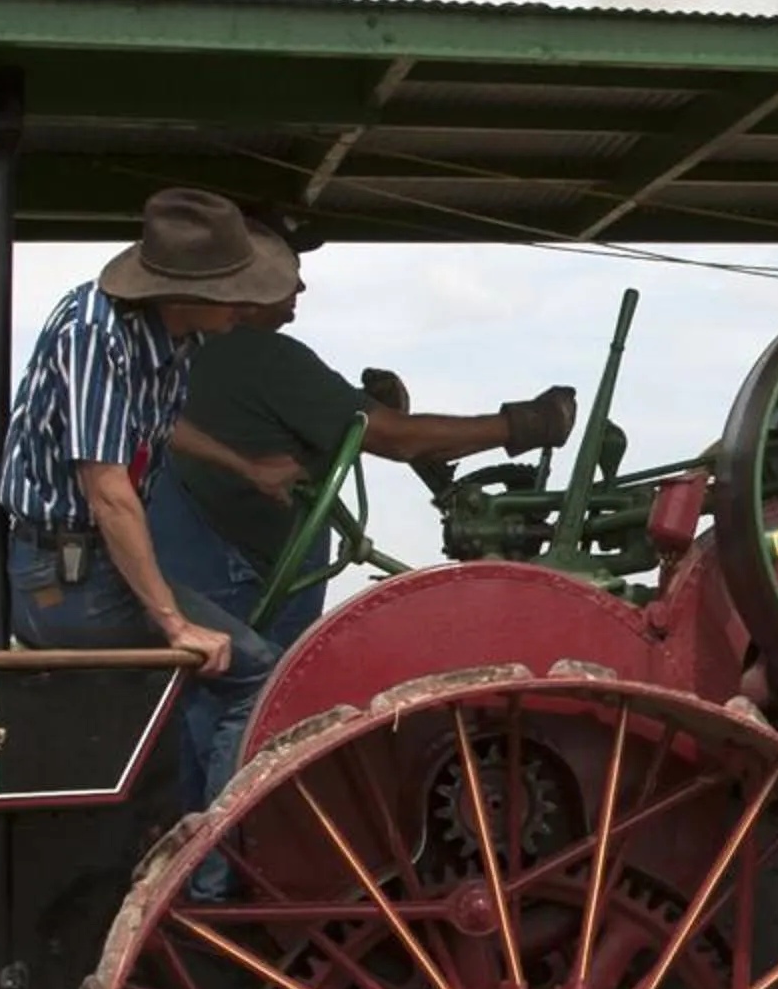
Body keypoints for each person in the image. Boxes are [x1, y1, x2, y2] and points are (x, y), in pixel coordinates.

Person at [141, 261, 578, 801]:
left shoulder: (201, 356)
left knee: (212, 714)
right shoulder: (260, 355)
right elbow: (398, 439)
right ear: (248, 285)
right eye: (288, 272)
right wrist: (521, 425)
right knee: (252, 703)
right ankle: (221, 872)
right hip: (241, 579)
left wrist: (370, 408)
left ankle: (209, 852)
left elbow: (346, 424)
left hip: (214, 568)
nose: (300, 286)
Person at [0, 186, 314, 834]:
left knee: (231, 663)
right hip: (64, 580)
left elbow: (150, 430)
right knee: (254, 675)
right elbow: (109, 488)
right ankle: (213, 881)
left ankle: (179, 841)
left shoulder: (172, 339)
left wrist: (246, 467)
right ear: (186, 291)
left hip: (90, 570)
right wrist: (173, 622)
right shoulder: (96, 335)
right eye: (234, 290)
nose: (245, 304)